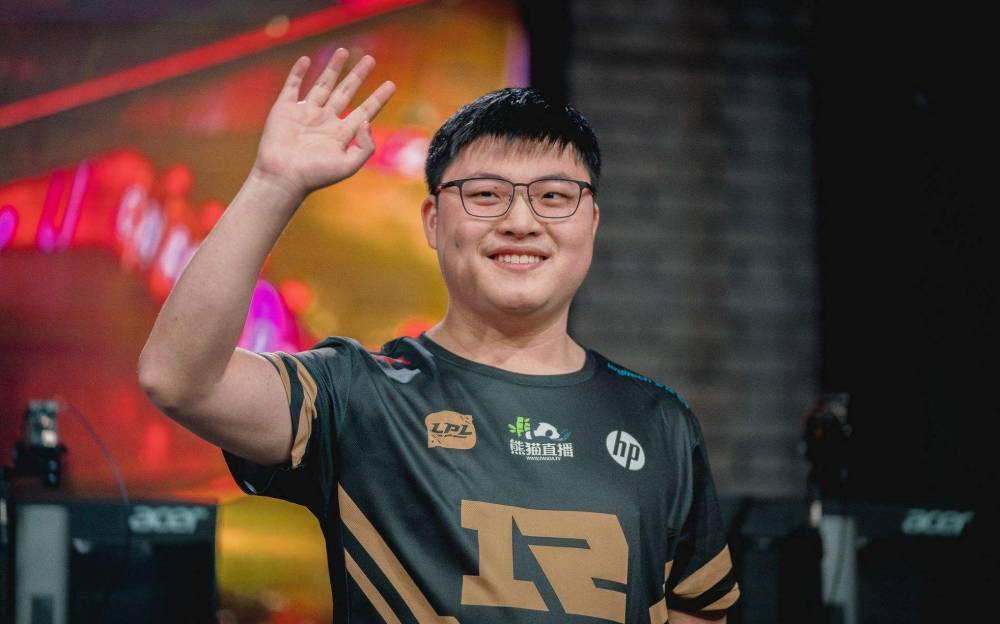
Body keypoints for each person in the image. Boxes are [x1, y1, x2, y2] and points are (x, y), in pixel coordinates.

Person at [138, 49, 739, 623]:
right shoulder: (357, 397)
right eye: (485, 196)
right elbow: (180, 380)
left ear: (591, 222)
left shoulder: (660, 422)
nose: (521, 221)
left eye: (554, 197)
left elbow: (698, 609)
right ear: (433, 220)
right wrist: (274, 182)